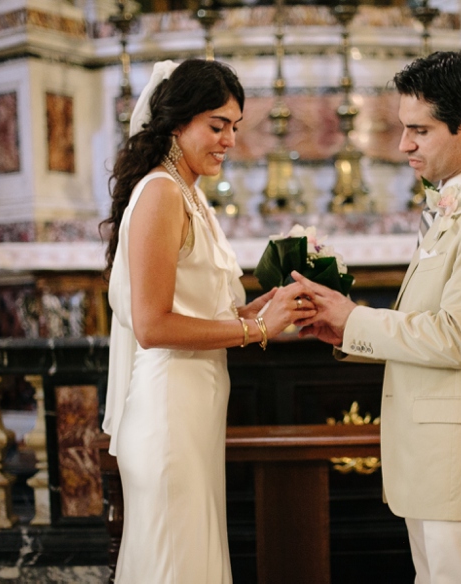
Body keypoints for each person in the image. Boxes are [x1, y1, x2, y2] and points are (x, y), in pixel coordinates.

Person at [294, 51, 461, 583]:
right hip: (433, 461)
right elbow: (425, 320)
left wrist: (355, 318)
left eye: (419, 131)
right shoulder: (455, 203)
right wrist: (342, 327)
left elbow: (457, 338)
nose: (404, 145)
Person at [100, 59, 314, 583]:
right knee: (175, 564)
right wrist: (256, 330)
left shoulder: (188, 192)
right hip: (168, 409)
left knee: (191, 558)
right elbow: (153, 326)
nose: (229, 140)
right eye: (217, 125)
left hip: (194, 406)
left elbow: (198, 313)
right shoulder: (161, 192)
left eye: (235, 127)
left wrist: (263, 308)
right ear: (177, 122)